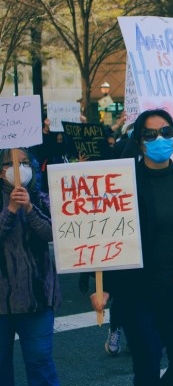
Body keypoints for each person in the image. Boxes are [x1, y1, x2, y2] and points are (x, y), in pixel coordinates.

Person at [90, 109, 173, 386]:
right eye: (150, 134)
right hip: (136, 291)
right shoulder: (124, 182)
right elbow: (107, 231)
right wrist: (105, 286)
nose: (159, 139)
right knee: (147, 363)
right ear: (140, 142)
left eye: (166, 132)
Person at [0, 148, 61, 386]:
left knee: (40, 362)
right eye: (12, 163)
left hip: (37, 297)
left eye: (25, 162)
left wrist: (28, 208)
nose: (20, 168)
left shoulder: (40, 197)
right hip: (2, 300)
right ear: (1, 170)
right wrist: (10, 210)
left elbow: (53, 233)